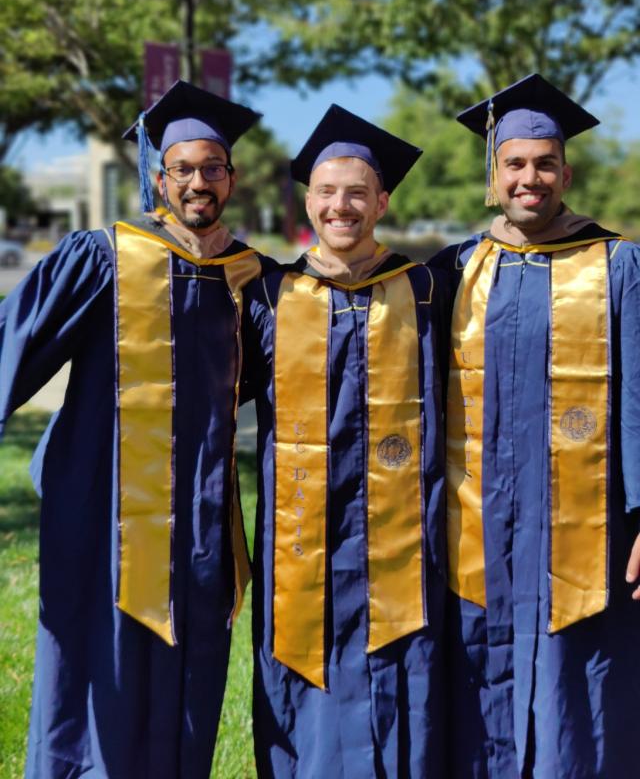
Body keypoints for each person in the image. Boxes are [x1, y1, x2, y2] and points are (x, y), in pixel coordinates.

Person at [0, 80, 267, 778]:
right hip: (105, 516)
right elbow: (14, 343)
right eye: (184, 168)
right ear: (159, 177)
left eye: (213, 168)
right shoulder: (103, 258)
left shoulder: (250, 279)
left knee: (191, 683)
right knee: (96, 679)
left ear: (232, 179)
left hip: (203, 528)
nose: (200, 181)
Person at [432, 74, 640, 778]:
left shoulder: (617, 266)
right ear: (493, 173)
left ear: (566, 172)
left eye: (544, 163)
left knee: (577, 699)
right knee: (477, 692)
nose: (530, 178)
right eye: (515, 164)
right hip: (477, 526)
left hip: (584, 532)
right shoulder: (456, 270)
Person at [243, 105, 449, 778]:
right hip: (304, 539)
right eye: (328, 192)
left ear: (382, 201)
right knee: (311, 672)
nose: (342, 206)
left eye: (358, 192)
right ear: (308, 200)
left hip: (402, 539)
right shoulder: (272, 295)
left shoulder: (422, 291)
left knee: (403, 672)